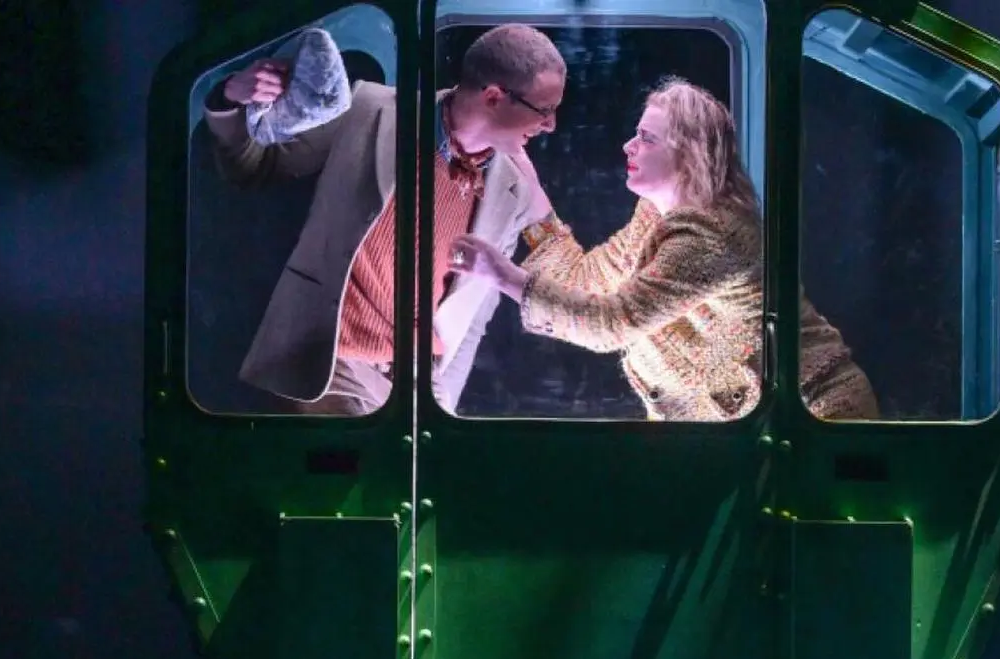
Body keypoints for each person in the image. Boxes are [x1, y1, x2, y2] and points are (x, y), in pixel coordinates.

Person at [450, 77, 879, 421]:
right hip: (745, 428)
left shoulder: (712, 234)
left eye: (646, 137)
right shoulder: (655, 215)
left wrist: (502, 275)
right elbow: (586, 279)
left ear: (690, 154)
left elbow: (612, 322)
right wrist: (525, 178)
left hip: (812, 420)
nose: (628, 146)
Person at [202, 24, 566, 415]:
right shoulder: (370, 110)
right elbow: (256, 167)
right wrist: (229, 97)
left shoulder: (513, 193)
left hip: (419, 385)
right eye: (543, 110)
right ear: (493, 96)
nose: (551, 125)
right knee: (359, 455)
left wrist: (443, 406)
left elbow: (473, 318)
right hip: (332, 363)